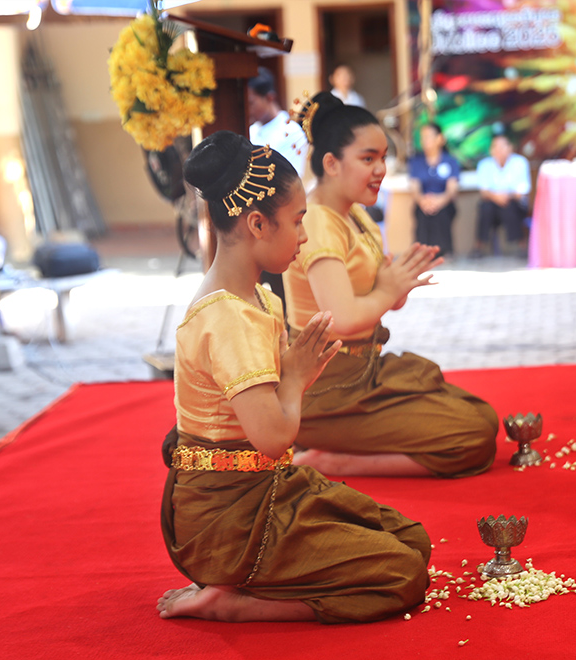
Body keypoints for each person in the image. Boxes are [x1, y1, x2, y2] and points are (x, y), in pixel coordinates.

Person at [158, 131, 431, 624]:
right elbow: (274, 437)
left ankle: (245, 586)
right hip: (229, 523)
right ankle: (236, 602)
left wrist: (298, 374)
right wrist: (298, 377)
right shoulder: (227, 318)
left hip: (267, 490)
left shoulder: (261, 299)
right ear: (257, 223)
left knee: (412, 542)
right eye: (299, 221)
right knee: (402, 576)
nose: (305, 236)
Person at [282, 91, 499, 478]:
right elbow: (343, 320)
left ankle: (336, 446)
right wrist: (388, 289)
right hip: (326, 388)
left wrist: (395, 286)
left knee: (480, 415)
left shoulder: (356, 215)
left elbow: (378, 297)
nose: (381, 169)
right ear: (331, 163)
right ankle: (336, 461)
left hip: (363, 371)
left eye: (383, 157)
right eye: (368, 159)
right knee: (471, 436)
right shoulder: (317, 220)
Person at [473, 133, 531, 257]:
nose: (498, 150)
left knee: (510, 207)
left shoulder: (520, 162)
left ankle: (522, 247)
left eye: (502, 146)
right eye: (495, 146)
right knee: (485, 208)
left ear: (510, 148)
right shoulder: (484, 164)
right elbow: (484, 192)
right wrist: (496, 197)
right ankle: (478, 247)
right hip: (492, 203)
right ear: (491, 149)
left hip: (513, 203)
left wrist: (505, 196)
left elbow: (521, 192)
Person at [408, 123, 460, 259]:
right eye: (422, 137)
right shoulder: (416, 162)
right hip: (423, 203)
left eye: (429, 137)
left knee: (441, 213)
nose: (425, 141)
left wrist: (439, 201)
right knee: (422, 214)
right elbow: (414, 188)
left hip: (445, 203)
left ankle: (444, 253)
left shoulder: (451, 161)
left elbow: (452, 189)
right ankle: (421, 254)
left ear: (440, 139)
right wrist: (423, 201)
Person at [247, 67, 308, 178]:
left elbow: (290, 181)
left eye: (251, 103)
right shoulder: (251, 130)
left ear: (269, 98)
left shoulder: (291, 132)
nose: (247, 109)